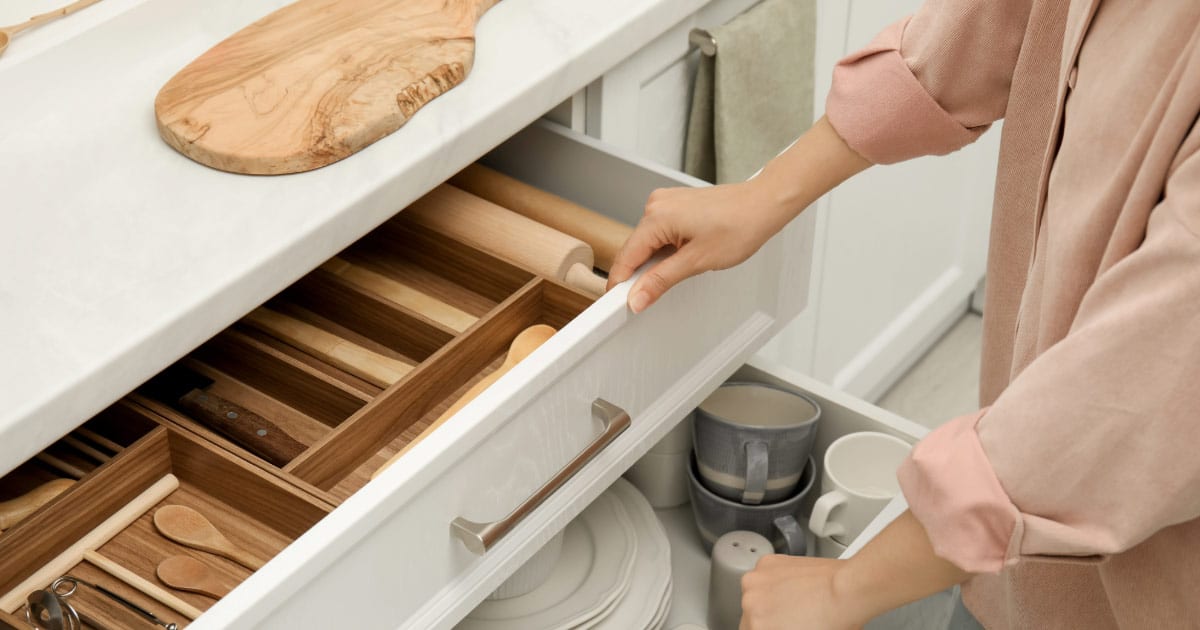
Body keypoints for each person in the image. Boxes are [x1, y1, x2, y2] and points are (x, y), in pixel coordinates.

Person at [606, 1, 1200, 628]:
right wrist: (761, 195)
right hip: (999, 556)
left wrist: (847, 590)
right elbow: (996, 26)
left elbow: (1129, 392)